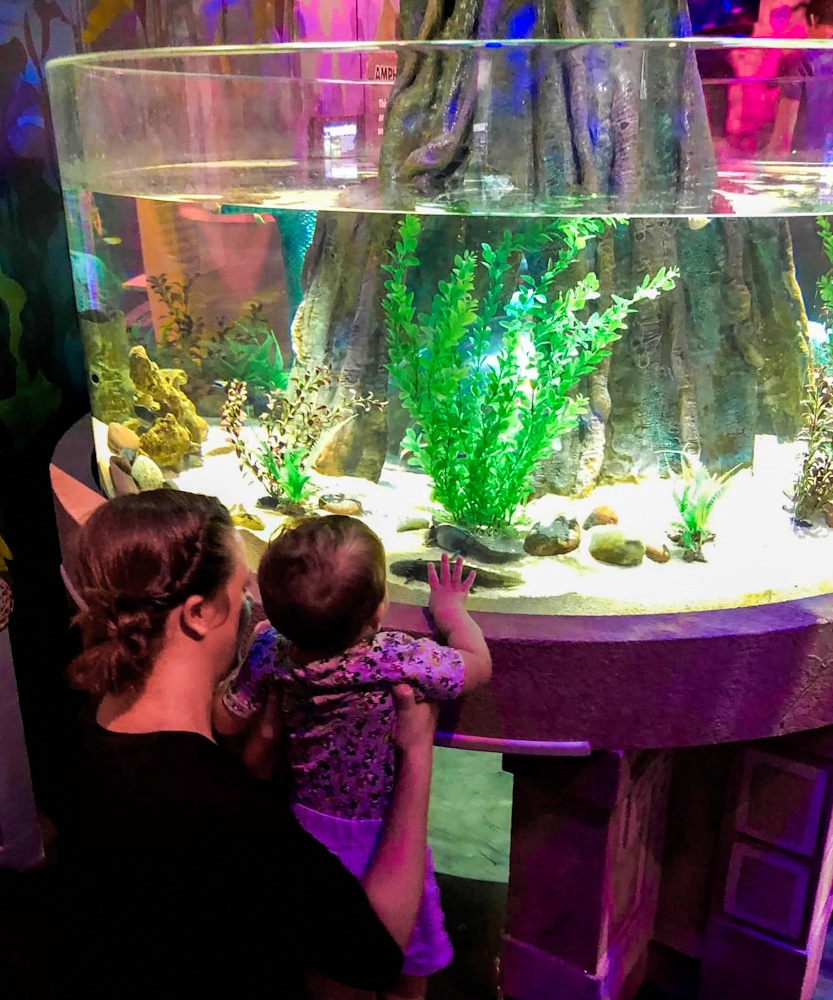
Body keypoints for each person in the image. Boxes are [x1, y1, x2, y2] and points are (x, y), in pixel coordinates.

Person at [55, 491, 440, 999]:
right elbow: (376, 953)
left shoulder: (84, 730)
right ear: (199, 612)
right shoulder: (228, 813)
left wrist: (261, 738)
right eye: (241, 586)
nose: (253, 599)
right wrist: (417, 755)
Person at [213, 516, 492, 1000]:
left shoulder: (269, 648)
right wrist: (450, 613)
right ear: (378, 611)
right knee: (403, 961)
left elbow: (229, 717)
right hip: (384, 834)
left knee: (328, 961)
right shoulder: (397, 658)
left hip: (304, 828)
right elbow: (477, 668)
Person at [767, 0, 833, 160]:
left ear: (813, 19)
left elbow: (784, 135)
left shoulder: (800, 60)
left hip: (800, 163)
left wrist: (770, 169)